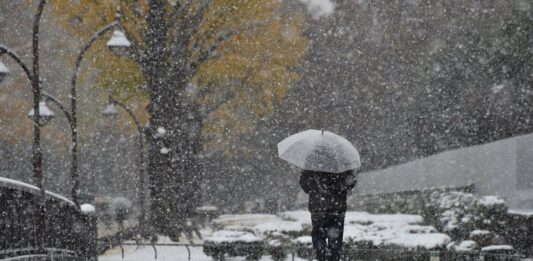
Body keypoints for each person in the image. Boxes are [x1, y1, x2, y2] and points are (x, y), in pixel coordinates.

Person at [299, 169, 357, 261]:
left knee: (318, 234)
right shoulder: (342, 160)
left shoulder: (312, 161)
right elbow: (350, 184)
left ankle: (320, 254)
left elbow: (305, 186)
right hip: (337, 209)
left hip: (318, 208)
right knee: (335, 238)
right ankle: (333, 257)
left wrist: (315, 185)